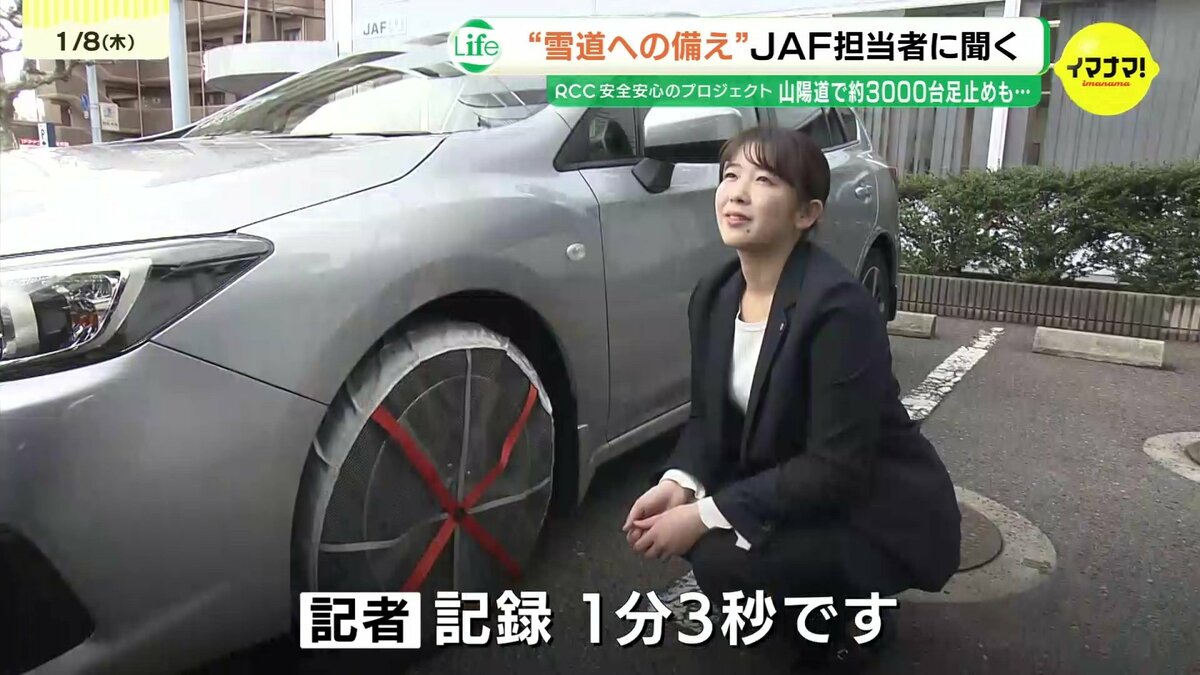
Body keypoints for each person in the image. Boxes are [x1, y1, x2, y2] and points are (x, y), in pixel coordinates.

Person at [622, 125, 962, 670]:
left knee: (720, 551)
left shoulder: (838, 308)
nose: (737, 193)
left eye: (764, 181)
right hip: (800, 482)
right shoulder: (714, 295)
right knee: (705, 533)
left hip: (872, 506)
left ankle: (853, 619)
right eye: (730, 176)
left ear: (806, 213)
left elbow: (836, 468)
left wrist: (707, 513)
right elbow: (708, 419)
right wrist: (678, 484)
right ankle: (806, 616)